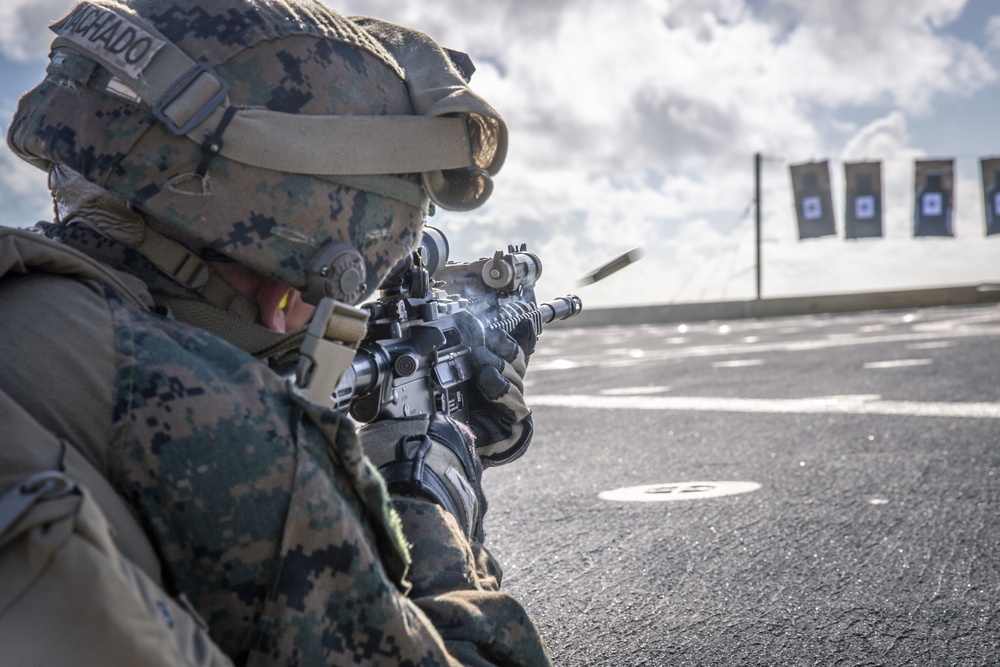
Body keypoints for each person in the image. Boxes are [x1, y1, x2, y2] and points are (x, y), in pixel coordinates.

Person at [0, 0, 550, 665]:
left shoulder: (29, 298)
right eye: (338, 299)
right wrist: (432, 490)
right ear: (286, 292)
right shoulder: (220, 424)